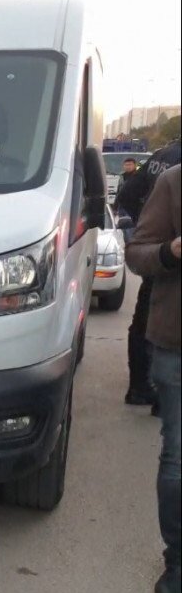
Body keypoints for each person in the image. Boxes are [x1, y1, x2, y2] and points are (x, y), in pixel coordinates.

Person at [125, 164, 181, 593]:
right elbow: (137, 252)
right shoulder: (173, 182)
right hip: (177, 346)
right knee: (179, 457)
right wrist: (170, 251)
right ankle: (178, 561)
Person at [116, 139, 181, 412]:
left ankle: (141, 386)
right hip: (167, 259)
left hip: (157, 252)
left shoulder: (160, 155)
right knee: (157, 326)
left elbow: (128, 194)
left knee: (144, 321)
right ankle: (153, 390)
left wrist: (144, 221)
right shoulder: (174, 170)